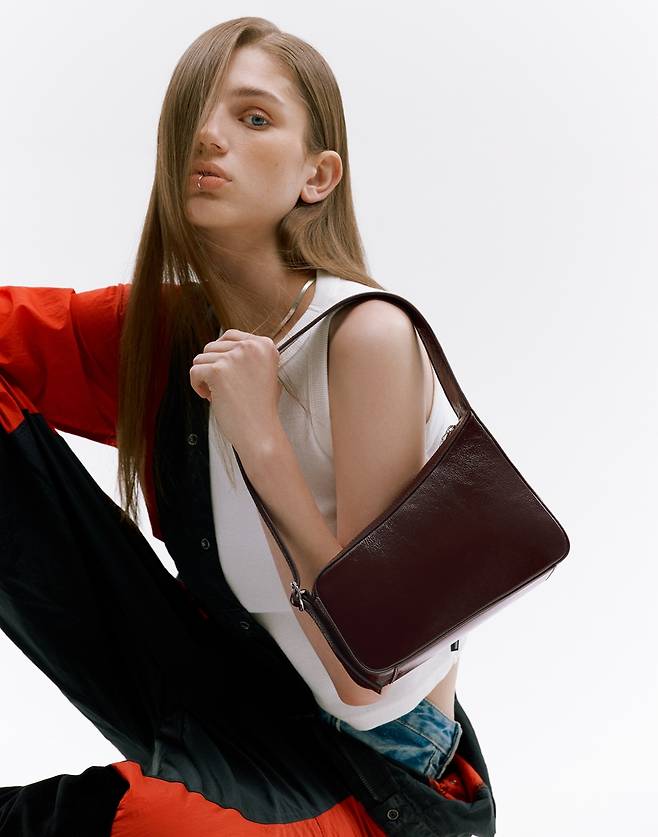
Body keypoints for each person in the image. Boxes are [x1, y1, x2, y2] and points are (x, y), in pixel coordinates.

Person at [0, 16, 496, 836]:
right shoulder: (168, 336)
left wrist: (261, 438)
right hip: (233, 707)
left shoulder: (367, 336)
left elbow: (368, 676)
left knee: (130, 823)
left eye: (254, 117)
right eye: (192, 113)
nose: (207, 135)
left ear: (317, 175)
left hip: (379, 773)